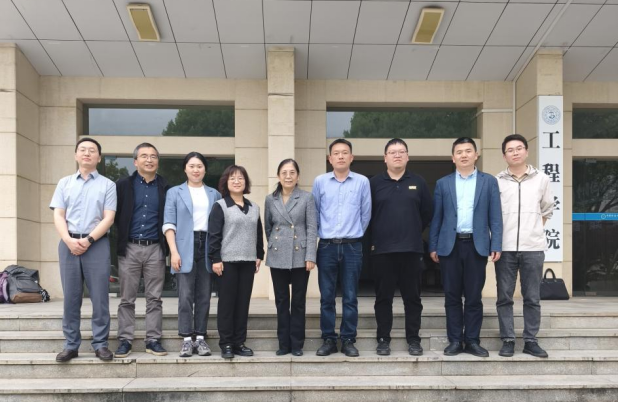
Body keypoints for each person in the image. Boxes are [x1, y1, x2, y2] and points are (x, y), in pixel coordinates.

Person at [429, 137, 502, 358]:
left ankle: (472, 341)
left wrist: (496, 243)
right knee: (451, 296)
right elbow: (437, 218)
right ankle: (454, 340)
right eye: (459, 152)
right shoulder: (443, 183)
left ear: (476, 155)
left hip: (476, 245)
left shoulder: (489, 182)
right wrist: (433, 245)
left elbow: (495, 216)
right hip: (449, 246)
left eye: (468, 151)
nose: (464, 155)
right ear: (453, 158)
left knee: (473, 296)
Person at [50, 138, 116, 362]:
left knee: (100, 297)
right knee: (71, 297)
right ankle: (71, 345)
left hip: (96, 244)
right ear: (76, 155)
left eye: (92, 151)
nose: (87, 153)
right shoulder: (64, 183)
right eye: (82, 150)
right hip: (68, 242)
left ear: (99, 157)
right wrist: (68, 240)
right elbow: (59, 215)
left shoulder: (108, 185)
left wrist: (88, 240)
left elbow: (109, 218)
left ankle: (100, 344)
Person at [370, 139, 433, 356]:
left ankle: (413, 339)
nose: (397, 155)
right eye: (392, 152)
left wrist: (412, 230)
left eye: (401, 151)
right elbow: (366, 214)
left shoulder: (418, 182)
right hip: (382, 251)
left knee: (412, 299)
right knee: (383, 298)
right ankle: (383, 338)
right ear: (385, 157)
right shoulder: (374, 183)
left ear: (407, 156)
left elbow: (427, 213)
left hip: (411, 250)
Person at [495, 134, 554, 358]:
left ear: (527, 151)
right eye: (510, 150)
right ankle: (508, 339)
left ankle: (530, 340)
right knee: (504, 297)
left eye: (519, 148)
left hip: (533, 248)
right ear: (504, 156)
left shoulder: (542, 179)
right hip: (505, 248)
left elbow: (547, 209)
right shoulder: (497, 181)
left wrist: (533, 231)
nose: (515, 152)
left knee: (532, 297)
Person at [312, 139, 371, 357]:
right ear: (330, 158)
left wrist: (353, 233)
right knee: (326, 296)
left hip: (352, 246)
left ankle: (348, 339)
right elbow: (315, 213)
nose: (340, 156)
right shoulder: (320, 181)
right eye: (336, 153)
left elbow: (366, 214)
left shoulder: (362, 182)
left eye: (345, 152)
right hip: (326, 246)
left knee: (350, 296)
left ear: (351, 157)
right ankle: (328, 338)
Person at [163, 152, 221, 357]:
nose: (196, 170)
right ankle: (187, 339)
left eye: (199, 166)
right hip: (183, 246)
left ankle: (201, 338)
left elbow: (218, 225)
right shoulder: (174, 192)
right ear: (185, 169)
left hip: (208, 245)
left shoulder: (214, 194)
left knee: (204, 295)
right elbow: (169, 224)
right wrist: (173, 252)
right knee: (185, 295)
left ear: (205, 169)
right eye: (192, 166)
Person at [114, 143, 170, 358]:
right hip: (130, 247)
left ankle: (153, 340)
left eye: (153, 156)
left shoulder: (165, 186)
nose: (149, 160)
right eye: (144, 156)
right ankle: (125, 340)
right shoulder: (123, 185)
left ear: (158, 161)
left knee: (154, 298)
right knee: (127, 298)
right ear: (135, 161)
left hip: (155, 247)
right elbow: (115, 215)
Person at [208, 165, 264, 359]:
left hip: (248, 261)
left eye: (240, 178)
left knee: (243, 303)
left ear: (246, 182)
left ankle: (239, 342)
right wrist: (215, 258)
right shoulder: (220, 206)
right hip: (227, 262)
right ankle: (226, 344)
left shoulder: (254, 207)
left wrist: (259, 255)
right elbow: (214, 235)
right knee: (227, 304)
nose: (237, 181)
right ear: (226, 182)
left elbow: (258, 233)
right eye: (232, 178)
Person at [264, 159, 318, 356]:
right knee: (281, 301)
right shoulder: (270, 199)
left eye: (292, 172)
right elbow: (268, 227)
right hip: (277, 254)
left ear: (298, 176)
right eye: (284, 173)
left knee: (298, 301)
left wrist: (310, 255)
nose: (288, 176)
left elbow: (312, 228)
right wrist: (274, 245)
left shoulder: (306, 198)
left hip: (300, 255)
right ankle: (283, 344)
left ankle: (296, 344)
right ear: (278, 176)